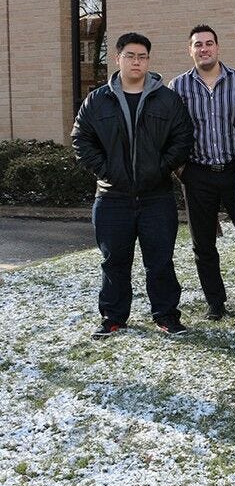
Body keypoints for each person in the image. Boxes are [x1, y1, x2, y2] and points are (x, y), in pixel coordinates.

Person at [72, 32, 194, 338]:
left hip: (156, 196)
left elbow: (183, 138)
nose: (136, 61)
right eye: (130, 55)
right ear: (118, 59)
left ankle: (166, 315)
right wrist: (105, 169)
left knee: (160, 260)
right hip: (112, 198)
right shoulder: (98, 100)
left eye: (142, 56)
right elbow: (80, 138)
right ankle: (113, 317)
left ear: (148, 60)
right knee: (114, 261)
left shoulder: (167, 99)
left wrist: (161, 167)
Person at [170, 24, 235, 321]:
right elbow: (168, 131)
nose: (204, 49)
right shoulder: (178, 87)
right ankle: (216, 302)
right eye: (198, 44)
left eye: (209, 43)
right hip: (197, 173)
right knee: (203, 244)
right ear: (190, 50)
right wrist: (180, 169)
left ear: (218, 47)